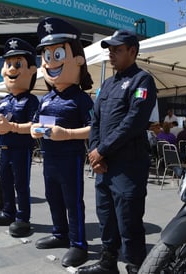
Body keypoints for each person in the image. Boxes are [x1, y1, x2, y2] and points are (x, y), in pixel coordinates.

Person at [80, 30, 157, 274]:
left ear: (132, 51)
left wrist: (101, 150)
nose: (111, 53)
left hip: (128, 166)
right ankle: (107, 263)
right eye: (110, 49)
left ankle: (135, 267)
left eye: (117, 49)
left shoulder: (142, 81)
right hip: (103, 166)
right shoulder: (106, 85)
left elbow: (134, 122)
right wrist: (94, 152)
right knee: (106, 217)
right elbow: (95, 121)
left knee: (129, 221)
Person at [30, 17, 94, 268]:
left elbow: (93, 129)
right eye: (47, 56)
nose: (51, 62)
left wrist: (67, 134)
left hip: (70, 156)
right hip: (49, 156)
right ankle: (60, 233)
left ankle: (78, 243)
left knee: (72, 199)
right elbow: (35, 123)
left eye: (57, 54)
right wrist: (35, 130)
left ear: (77, 60)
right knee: (52, 196)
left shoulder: (80, 99)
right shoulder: (46, 98)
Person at [0, 37, 39, 238]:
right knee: (5, 182)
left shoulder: (31, 100)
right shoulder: (4, 100)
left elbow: (35, 126)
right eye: (8, 64)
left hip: (21, 149)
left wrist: (13, 127)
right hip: (5, 148)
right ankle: (8, 211)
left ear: (31, 70)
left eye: (17, 64)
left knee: (21, 184)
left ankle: (23, 217)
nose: (11, 69)